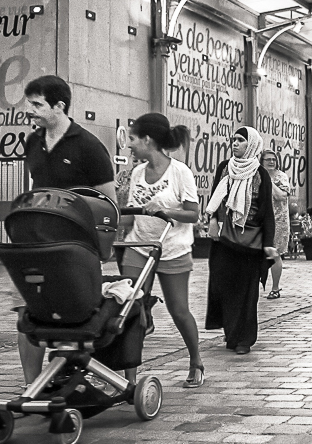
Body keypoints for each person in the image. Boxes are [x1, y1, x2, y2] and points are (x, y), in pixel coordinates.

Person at [17, 74, 118, 385]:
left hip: (78, 248)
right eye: (29, 103)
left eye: (37, 104)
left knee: (77, 318)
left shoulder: (88, 146)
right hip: (38, 244)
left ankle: (81, 379)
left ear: (59, 106)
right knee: (29, 316)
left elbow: (108, 203)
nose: (30, 110)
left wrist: (101, 249)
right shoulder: (33, 141)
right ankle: (33, 386)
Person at [118, 113, 204, 388]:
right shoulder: (137, 173)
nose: (129, 144)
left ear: (147, 140)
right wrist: (112, 229)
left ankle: (196, 360)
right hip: (139, 245)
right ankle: (128, 378)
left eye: (132, 139)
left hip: (172, 248)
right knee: (128, 307)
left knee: (179, 310)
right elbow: (130, 214)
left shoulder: (180, 172)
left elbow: (193, 214)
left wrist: (165, 210)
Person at [204, 127, 278, 355]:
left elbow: (267, 211)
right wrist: (213, 221)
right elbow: (215, 197)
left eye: (240, 140)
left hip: (251, 243)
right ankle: (231, 331)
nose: (234, 144)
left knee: (247, 292)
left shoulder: (260, 174)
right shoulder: (224, 168)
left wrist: (268, 243)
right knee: (224, 286)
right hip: (225, 239)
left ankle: (244, 339)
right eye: (233, 140)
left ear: (252, 145)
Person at [261, 150, 293, 300]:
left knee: (275, 253)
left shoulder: (281, 177)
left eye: (273, 159)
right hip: (260, 220)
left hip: (278, 221)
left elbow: (280, 196)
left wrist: (269, 180)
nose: (271, 162)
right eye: (268, 160)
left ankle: (275, 288)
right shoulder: (256, 176)